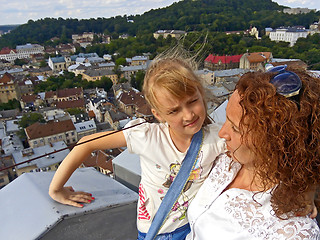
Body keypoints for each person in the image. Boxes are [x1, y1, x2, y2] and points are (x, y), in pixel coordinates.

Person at [49, 50, 225, 239]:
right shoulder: (148, 137)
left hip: (192, 229)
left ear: (200, 91)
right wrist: (56, 189)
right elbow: (86, 143)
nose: (189, 115)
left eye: (193, 102)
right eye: (174, 111)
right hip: (152, 231)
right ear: (157, 114)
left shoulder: (219, 137)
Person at [186, 66, 320, 239]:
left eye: (235, 128)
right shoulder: (225, 157)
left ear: (276, 142)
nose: (222, 133)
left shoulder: (292, 230)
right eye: (226, 119)